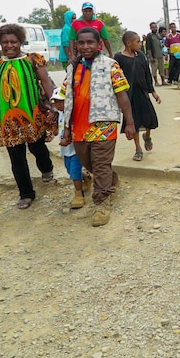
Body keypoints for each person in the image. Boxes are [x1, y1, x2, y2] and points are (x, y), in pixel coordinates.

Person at [59, 27, 135, 227]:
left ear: (98, 44)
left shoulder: (111, 65)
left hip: (104, 124)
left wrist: (130, 122)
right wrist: (66, 128)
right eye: (81, 43)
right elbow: (67, 98)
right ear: (76, 45)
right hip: (79, 127)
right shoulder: (72, 68)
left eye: (90, 42)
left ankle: (102, 203)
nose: (86, 46)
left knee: (100, 165)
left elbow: (122, 95)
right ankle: (112, 179)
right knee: (88, 162)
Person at [0, 24, 57, 210]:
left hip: (31, 116)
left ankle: (46, 168)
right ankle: (26, 193)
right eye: (5, 42)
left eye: (13, 41)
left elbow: (45, 82)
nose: (9, 45)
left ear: (20, 42)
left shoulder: (32, 59)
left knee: (37, 147)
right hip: (7, 120)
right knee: (16, 157)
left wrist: (53, 105)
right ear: (0, 44)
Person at [114, 31, 161, 161]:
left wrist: (153, 92)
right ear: (129, 44)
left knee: (149, 119)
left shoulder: (141, 56)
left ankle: (147, 135)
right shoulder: (119, 58)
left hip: (142, 93)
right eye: (138, 42)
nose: (140, 44)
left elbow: (147, 74)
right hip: (129, 96)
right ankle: (138, 149)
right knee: (133, 121)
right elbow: (115, 78)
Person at [50, 89, 90, 209]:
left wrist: (66, 140)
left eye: (60, 102)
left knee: (73, 172)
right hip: (66, 150)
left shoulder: (73, 114)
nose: (58, 105)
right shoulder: (61, 114)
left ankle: (79, 194)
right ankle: (86, 177)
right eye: (56, 102)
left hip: (75, 149)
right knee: (69, 169)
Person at [144, 22, 165, 86]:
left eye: (156, 27)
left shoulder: (158, 35)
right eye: (153, 27)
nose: (155, 28)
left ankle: (163, 81)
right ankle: (156, 82)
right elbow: (148, 47)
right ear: (150, 28)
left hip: (160, 55)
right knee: (154, 70)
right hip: (154, 56)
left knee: (162, 69)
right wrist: (150, 57)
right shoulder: (149, 36)